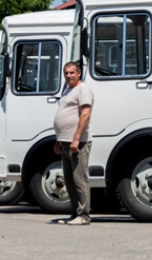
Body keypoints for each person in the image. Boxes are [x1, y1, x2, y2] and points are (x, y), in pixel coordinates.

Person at [53, 61, 93, 225]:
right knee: (69, 179)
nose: (69, 75)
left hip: (78, 142)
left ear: (78, 73)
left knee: (79, 178)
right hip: (65, 141)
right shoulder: (68, 90)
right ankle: (75, 212)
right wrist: (58, 140)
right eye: (66, 73)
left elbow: (85, 115)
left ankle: (84, 215)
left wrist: (76, 138)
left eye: (72, 72)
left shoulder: (83, 90)